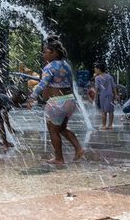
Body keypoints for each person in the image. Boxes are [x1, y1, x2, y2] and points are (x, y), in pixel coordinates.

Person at [27, 36, 84, 165]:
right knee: (62, 128)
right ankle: (78, 148)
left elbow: (42, 84)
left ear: (54, 52)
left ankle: (59, 158)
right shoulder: (66, 66)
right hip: (69, 101)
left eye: (45, 52)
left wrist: (32, 97)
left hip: (56, 103)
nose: (43, 54)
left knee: (53, 131)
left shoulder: (50, 67)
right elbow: (70, 84)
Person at [94, 63, 117, 130]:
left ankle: (104, 125)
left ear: (99, 69)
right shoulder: (109, 76)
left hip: (103, 95)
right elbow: (114, 86)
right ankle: (110, 125)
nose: (95, 71)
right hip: (110, 95)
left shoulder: (97, 78)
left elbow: (97, 88)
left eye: (96, 69)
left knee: (103, 111)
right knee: (111, 111)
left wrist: (95, 97)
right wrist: (116, 94)